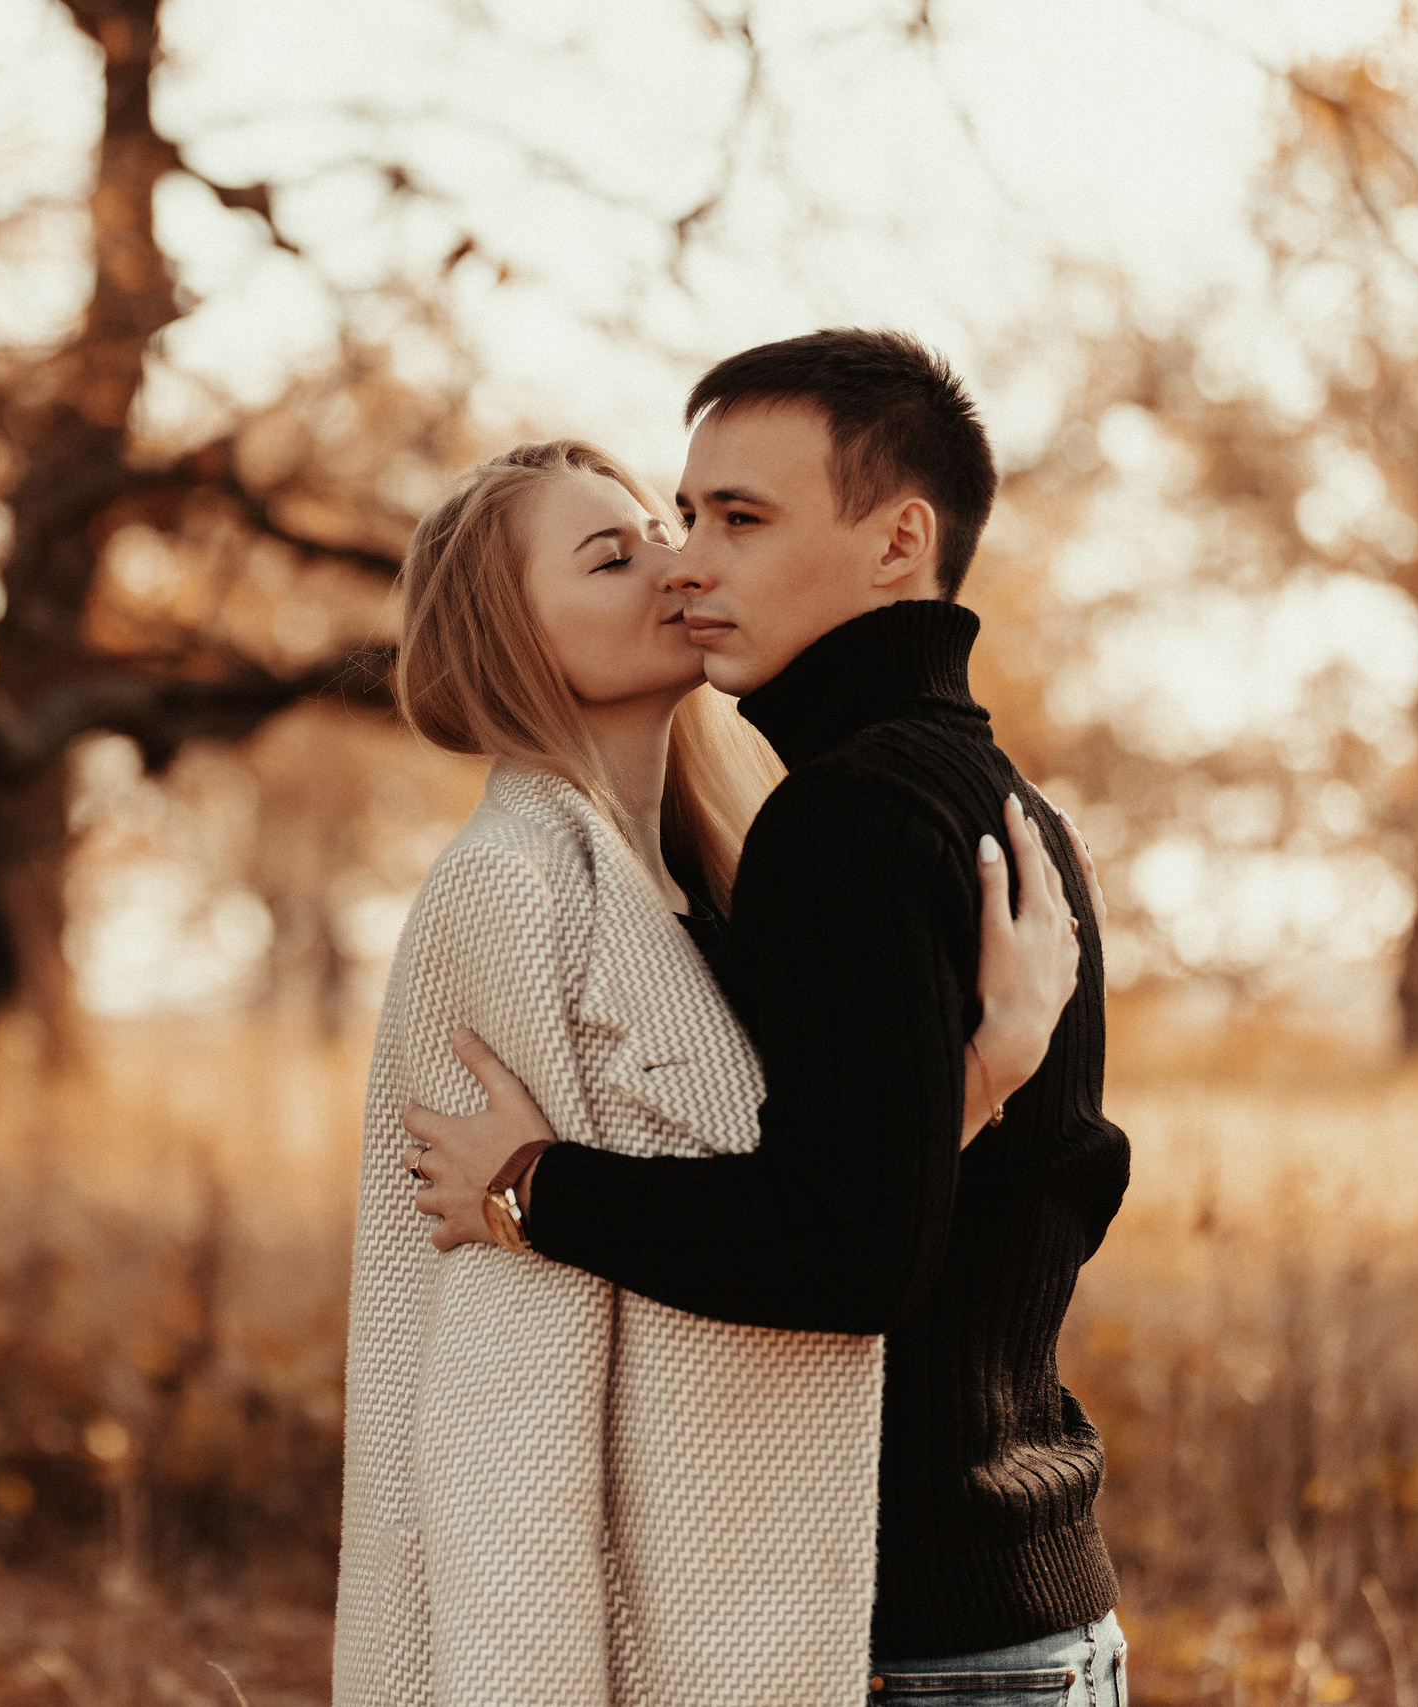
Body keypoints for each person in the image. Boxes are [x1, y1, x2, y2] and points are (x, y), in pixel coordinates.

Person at [406, 332, 1134, 1705]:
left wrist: (534, 1188)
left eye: (736, 519)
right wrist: (975, 1083)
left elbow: (851, 1240)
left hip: (929, 1625)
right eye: (681, 523)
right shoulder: (977, 796)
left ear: (897, 541)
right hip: (999, 1596)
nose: (688, 561)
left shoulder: (843, 821)